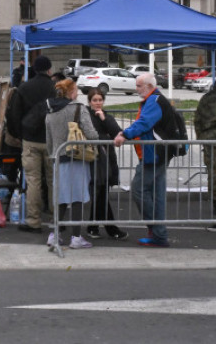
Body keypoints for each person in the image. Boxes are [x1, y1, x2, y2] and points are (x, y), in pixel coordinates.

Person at [114, 72, 170, 247]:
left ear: (149, 86)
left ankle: (156, 229)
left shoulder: (154, 101)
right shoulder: (156, 99)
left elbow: (144, 122)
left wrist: (125, 134)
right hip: (158, 152)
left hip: (154, 153)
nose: (136, 89)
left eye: (139, 86)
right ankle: (159, 234)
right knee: (157, 193)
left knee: (138, 189)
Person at [45, 78, 99, 250]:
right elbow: (92, 134)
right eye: (75, 89)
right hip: (76, 157)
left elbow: (49, 140)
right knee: (77, 198)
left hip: (58, 157)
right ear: (71, 92)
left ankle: (54, 234)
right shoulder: (78, 108)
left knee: (60, 199)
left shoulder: (50, 111)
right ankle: (76, 237)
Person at [7, 55, 56, 233]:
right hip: (52, 140)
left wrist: (20, 134)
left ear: (34, 69)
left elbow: (13, 114)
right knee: (53, 180)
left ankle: (33, 220)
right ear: (49, 70)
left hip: (30, 139)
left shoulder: (24, 87)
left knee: (33, 180)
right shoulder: (55, 88)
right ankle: (56, 218)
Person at [84, 89, 128, 240]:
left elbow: (118, 132)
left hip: (106, 157)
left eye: (100, 100)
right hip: (92, 158)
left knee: (102, 193)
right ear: (89, 101)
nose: (97, 103)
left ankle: (95, 227)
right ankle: (107, 228)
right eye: (94, 100)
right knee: (99, 193)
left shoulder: (106, 115)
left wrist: (104, 118)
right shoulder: (86, 115)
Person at [194, 67, 216, 231]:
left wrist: (202, 138)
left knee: (214, 175)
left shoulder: (207, 98)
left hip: (210, 139)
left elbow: (197, 119)